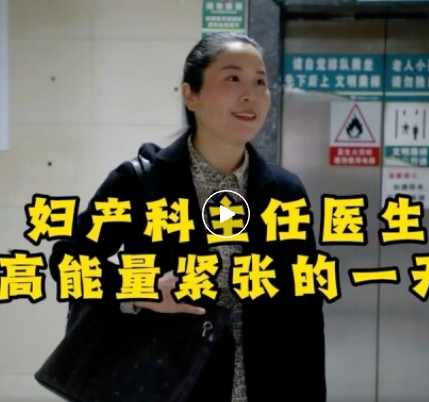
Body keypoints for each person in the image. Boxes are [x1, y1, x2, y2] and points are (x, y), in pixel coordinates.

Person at [49, 32, 326, 402]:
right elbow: (68, 260)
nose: (251, 94)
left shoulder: (285, 191)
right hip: (169, 390)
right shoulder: (141, 182)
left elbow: (305, 311)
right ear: (190, 94)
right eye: (233, 78)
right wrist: (141, 288)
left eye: (260, 82)